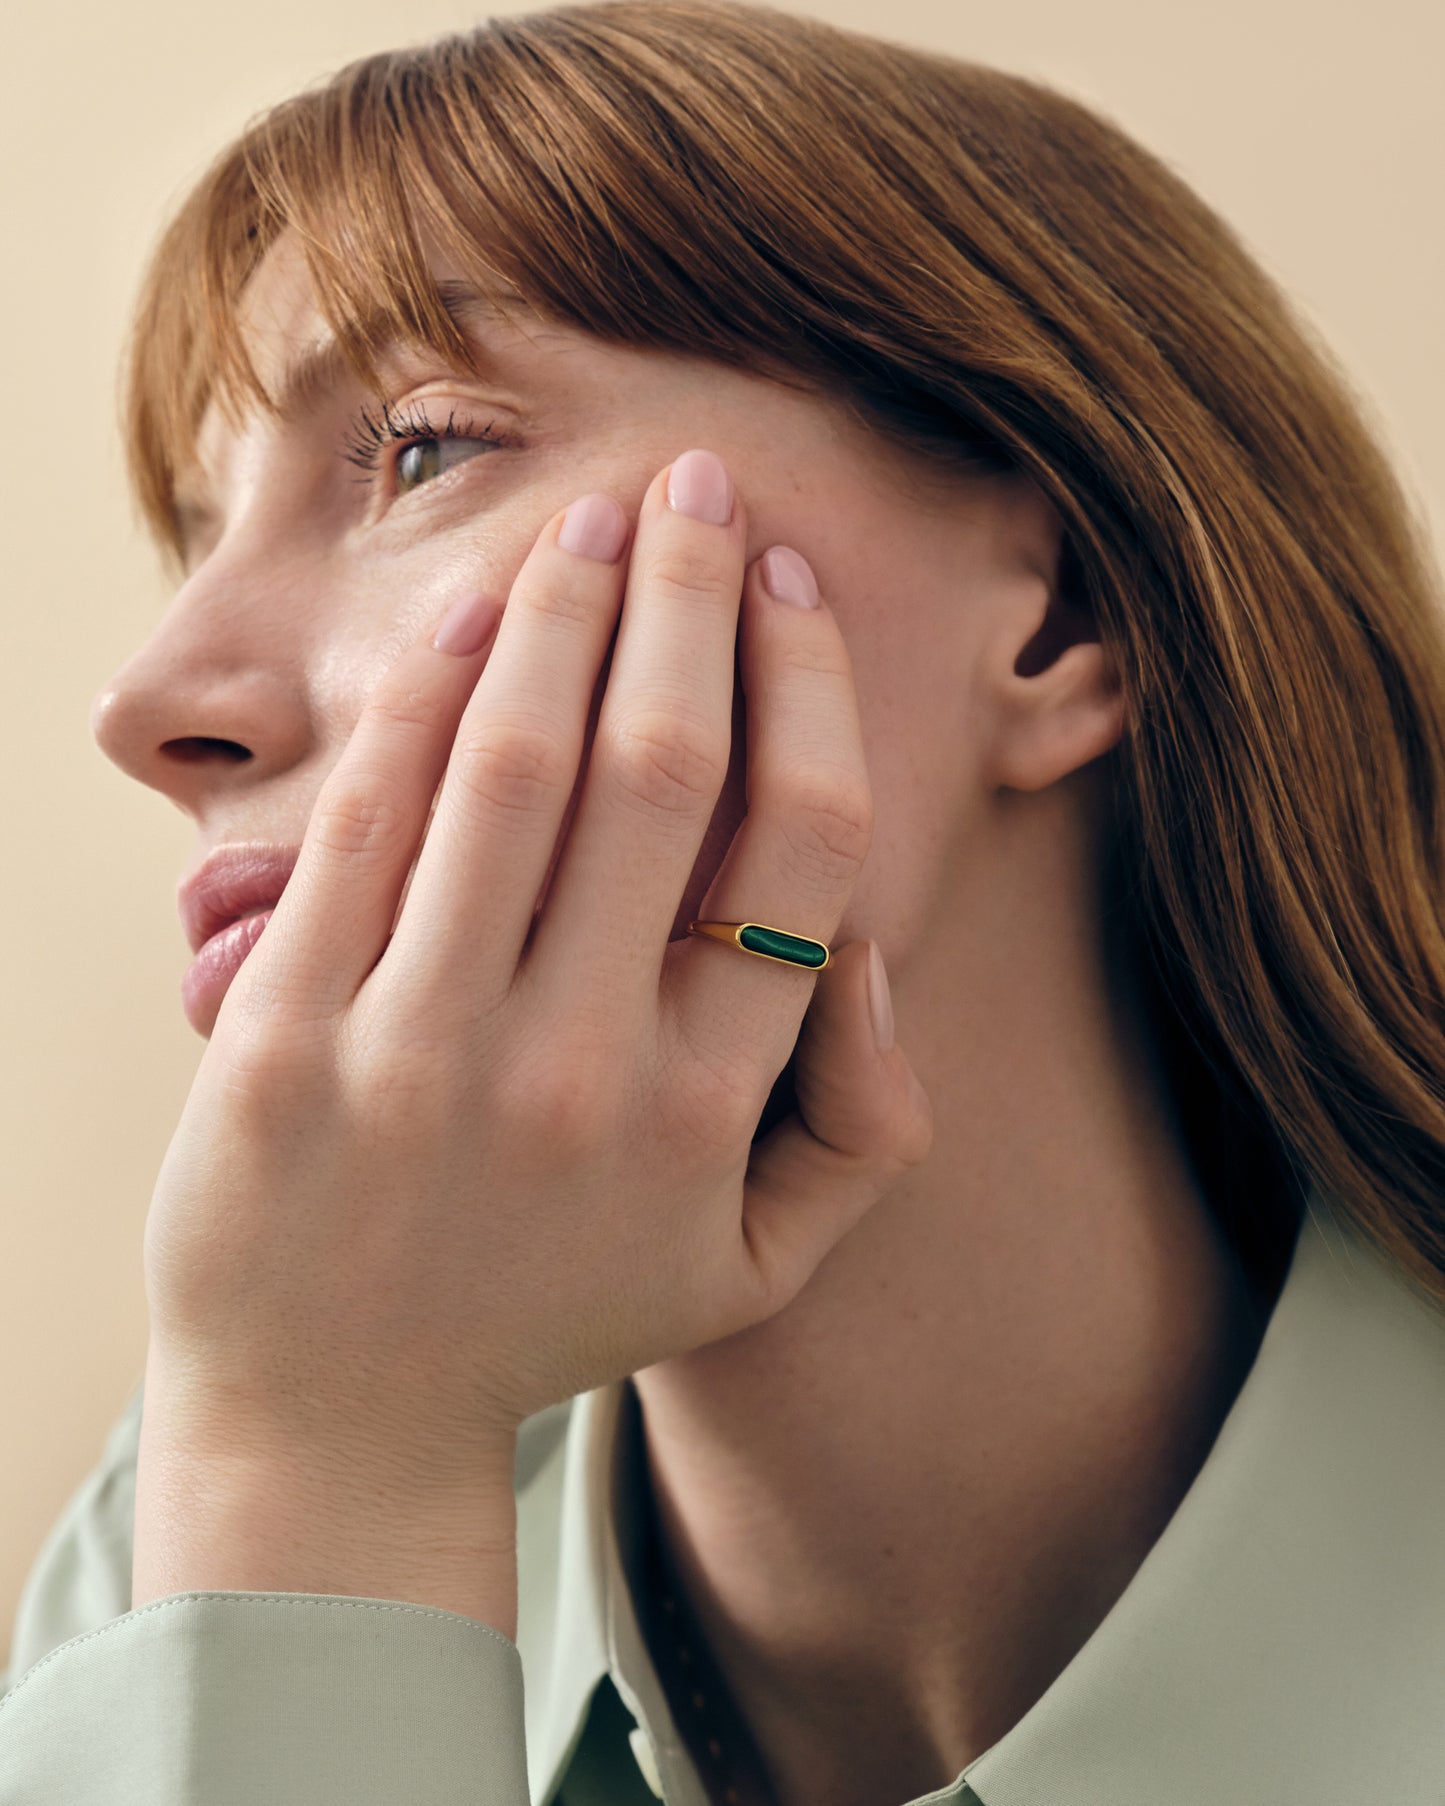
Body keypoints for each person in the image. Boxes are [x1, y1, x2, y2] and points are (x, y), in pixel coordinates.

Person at [5, 2, 1445, 1802]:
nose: (155, 700)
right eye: (198, 530)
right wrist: (322, 1468)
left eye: (425, 450)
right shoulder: (207, 1513)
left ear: (1061, 617)